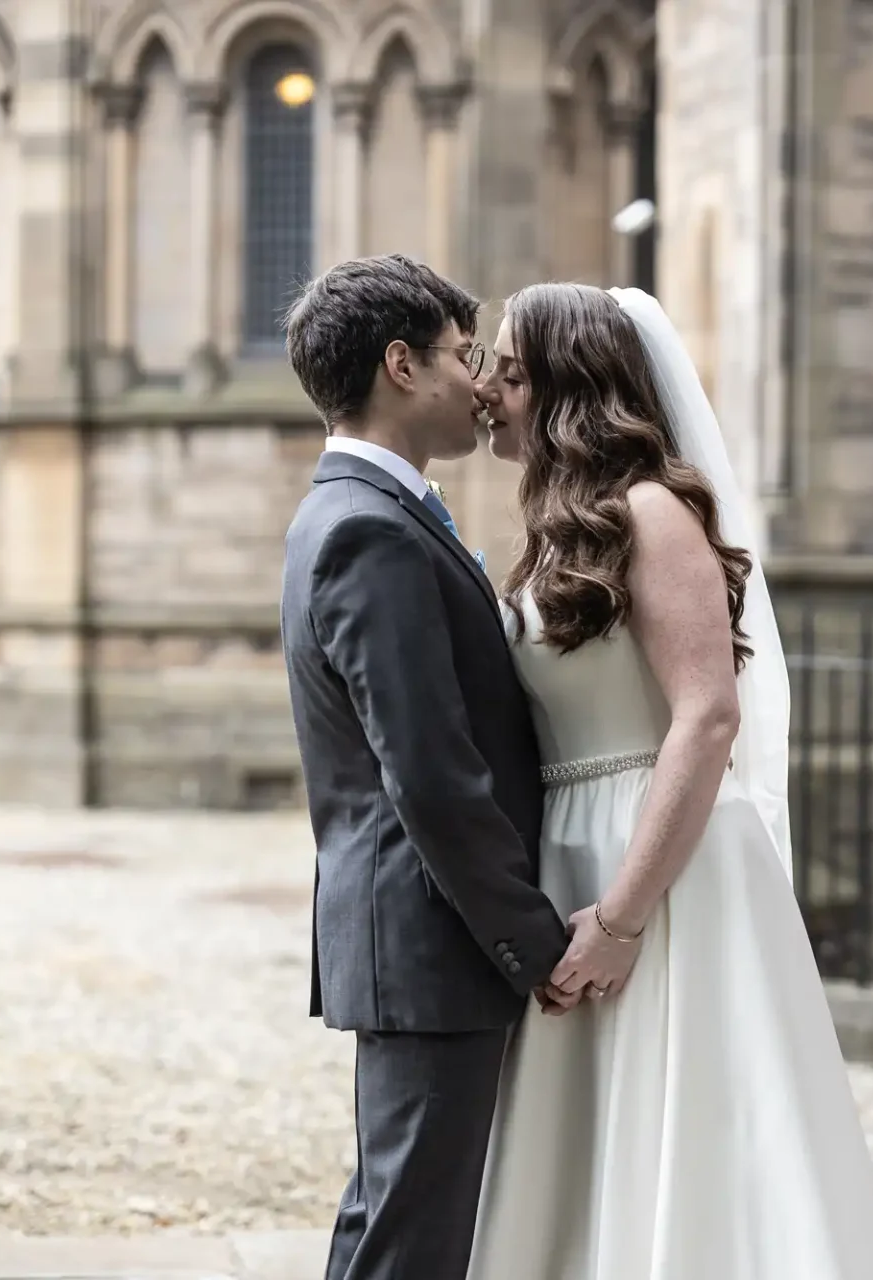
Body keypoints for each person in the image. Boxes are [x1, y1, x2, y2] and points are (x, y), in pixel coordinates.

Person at [465, 282, 873, 1279]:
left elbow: (707, 715)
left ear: (569, 387)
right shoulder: (559, 526)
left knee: (690, 1125)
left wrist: (621, 917)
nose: (491, 386)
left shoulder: (652, 514)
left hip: (662, 864)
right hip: (572, 847)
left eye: (512, 368)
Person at [278, 255, 583, 1280]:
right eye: (464, 354)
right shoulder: (370, 529)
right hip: (432, 937)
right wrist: (532, 939)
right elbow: (431, 773)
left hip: (419, 939)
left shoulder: (366, 511)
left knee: (394, 1221)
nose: (481, 381)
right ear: (401, 366)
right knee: (411, 1239)